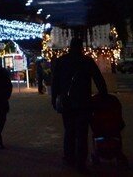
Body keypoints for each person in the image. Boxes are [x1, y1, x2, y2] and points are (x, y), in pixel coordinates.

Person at [51, 37, 108, 172]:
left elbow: (55, 82)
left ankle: (69, 157)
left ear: (70, 47)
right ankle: (81, 163)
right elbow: (98, 79)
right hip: (83, 102)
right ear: (81, 47)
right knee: (82, 133)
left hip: (66, 102)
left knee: (69, 131)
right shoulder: (87, 61)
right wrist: (103, 95)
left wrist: (54, 99)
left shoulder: (61, 61)